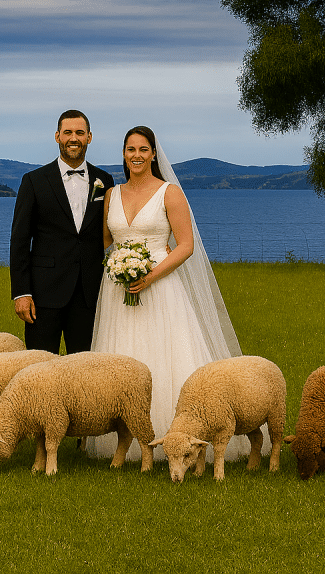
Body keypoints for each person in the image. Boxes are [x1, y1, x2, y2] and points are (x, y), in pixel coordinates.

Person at [87, 126, 255, 462]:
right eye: (131, 149)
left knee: (165, 353)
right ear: (124, 154)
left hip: (161, 287)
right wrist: (119, 263)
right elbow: (105, 241)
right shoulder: (111, 194)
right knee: (122, 356)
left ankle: (177, 430)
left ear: (153, 154)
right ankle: (123, 438)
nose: (137, 155)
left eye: (143, 149)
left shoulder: (169, 192)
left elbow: (186, 245)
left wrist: (149, 276)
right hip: (118, 289)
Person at [9, 110, 115, 354]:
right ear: (57, 136)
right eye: (68, 132)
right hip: (44, 295)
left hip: (90, 295)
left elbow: (113, 228)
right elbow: (20, 241)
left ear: (89, 137)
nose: (73, 138)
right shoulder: (34, 181)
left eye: (79, 132)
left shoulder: (104, 180)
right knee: (40, 367)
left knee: (86, 366)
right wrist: (22, 293)